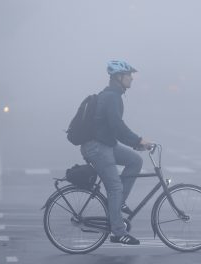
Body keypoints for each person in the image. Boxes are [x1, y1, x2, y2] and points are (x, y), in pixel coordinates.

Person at [80, 60, 152, 245]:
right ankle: (118, 232)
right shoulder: (112, 97)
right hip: (97, 147)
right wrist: (138, 140)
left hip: (105, 144)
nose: (132, 79)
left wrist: (136, 145)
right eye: (129, 75)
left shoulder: (113, 95)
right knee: (115, 188)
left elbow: (113, 130)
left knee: (135, 161)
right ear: (119, 77)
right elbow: (117, 127)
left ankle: (118, 203)